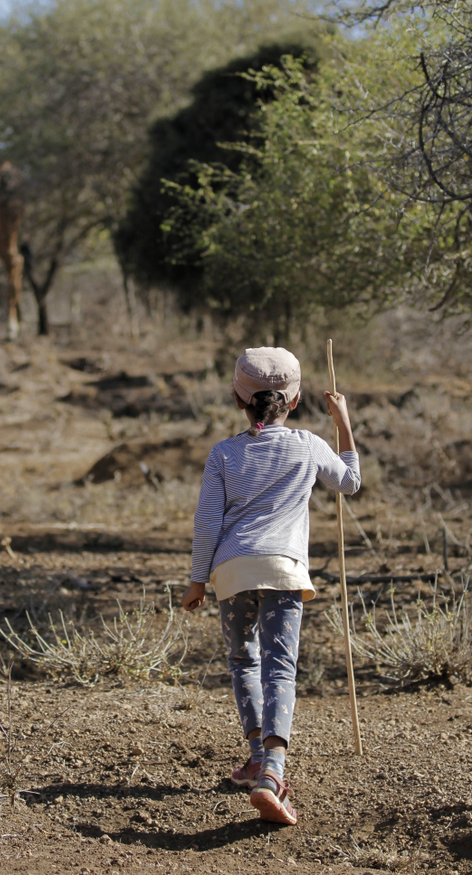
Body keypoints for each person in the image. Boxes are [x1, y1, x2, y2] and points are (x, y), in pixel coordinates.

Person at [181, 346, 360, 825]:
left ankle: (257, 758)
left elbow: (207, 524)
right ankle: (272, 773)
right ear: (295, 399)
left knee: (244, 660)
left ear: (238, 400)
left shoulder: (223, 453)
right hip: (283, 570)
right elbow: (350, 483)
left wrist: (198, 581)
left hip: (233, 571)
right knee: (279, 667)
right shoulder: (307, 444)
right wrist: (343, 423)